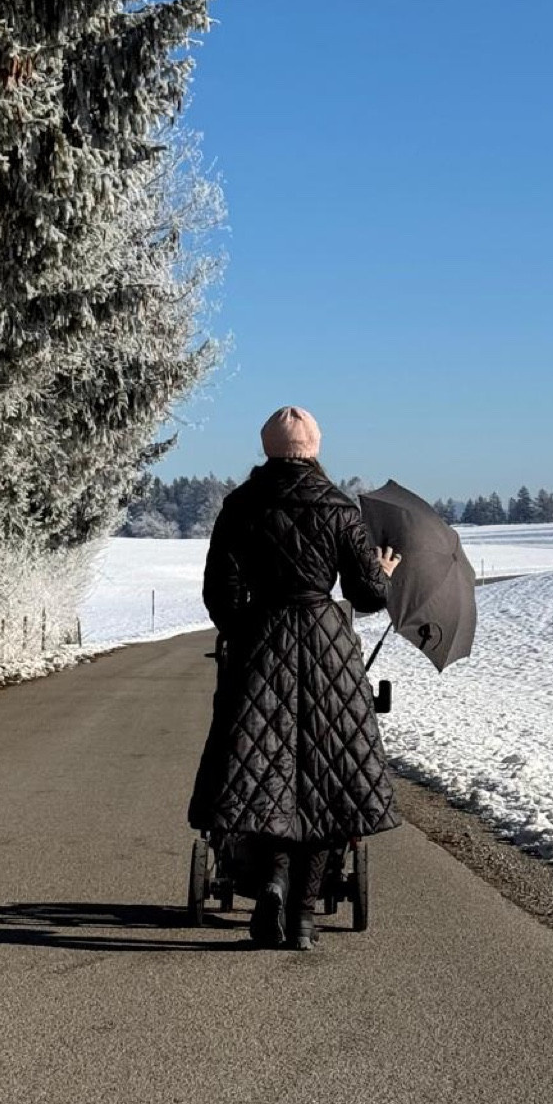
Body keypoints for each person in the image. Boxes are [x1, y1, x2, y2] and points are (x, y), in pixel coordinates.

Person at [187, 405, 401, 951]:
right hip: (329, 648)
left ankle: (273, 885)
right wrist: (384, 571)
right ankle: (303, 917)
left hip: (262, 643)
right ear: (315, 447)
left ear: (267, 448)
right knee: (331, 780)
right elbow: (367, 595)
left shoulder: (240, 505)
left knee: (265, 769)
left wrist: (249, 631)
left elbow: (220, 593)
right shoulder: (338, 507)